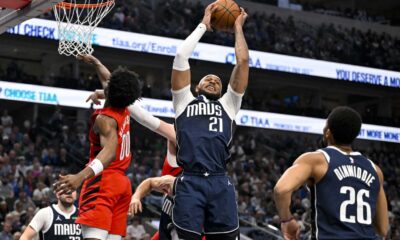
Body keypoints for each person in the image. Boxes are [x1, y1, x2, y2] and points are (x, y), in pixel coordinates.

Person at [170, 2, 249, 239]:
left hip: (218, 179)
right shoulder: (183, 100)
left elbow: (243, 62)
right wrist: (204, 25)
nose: (214, 80)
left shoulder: (228, 104)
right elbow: (181, 55)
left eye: (218, 80)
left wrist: (237, 27)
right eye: (208, 79)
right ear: (196, 86)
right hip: (190, 179)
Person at [274, 106, 389, 240]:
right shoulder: (375, 170)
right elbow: (382, 228)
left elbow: (281, 190)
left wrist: (287, 221)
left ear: (328, 132)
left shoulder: (317, 160)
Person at [54, 65, 141, 240]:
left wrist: (80, 176)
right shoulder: (124, 108)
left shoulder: (105, 119)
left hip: (103, 182)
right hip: (123, 184)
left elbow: (108, 153)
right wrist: (94, 62)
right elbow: (109, 80)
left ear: (109, 91)